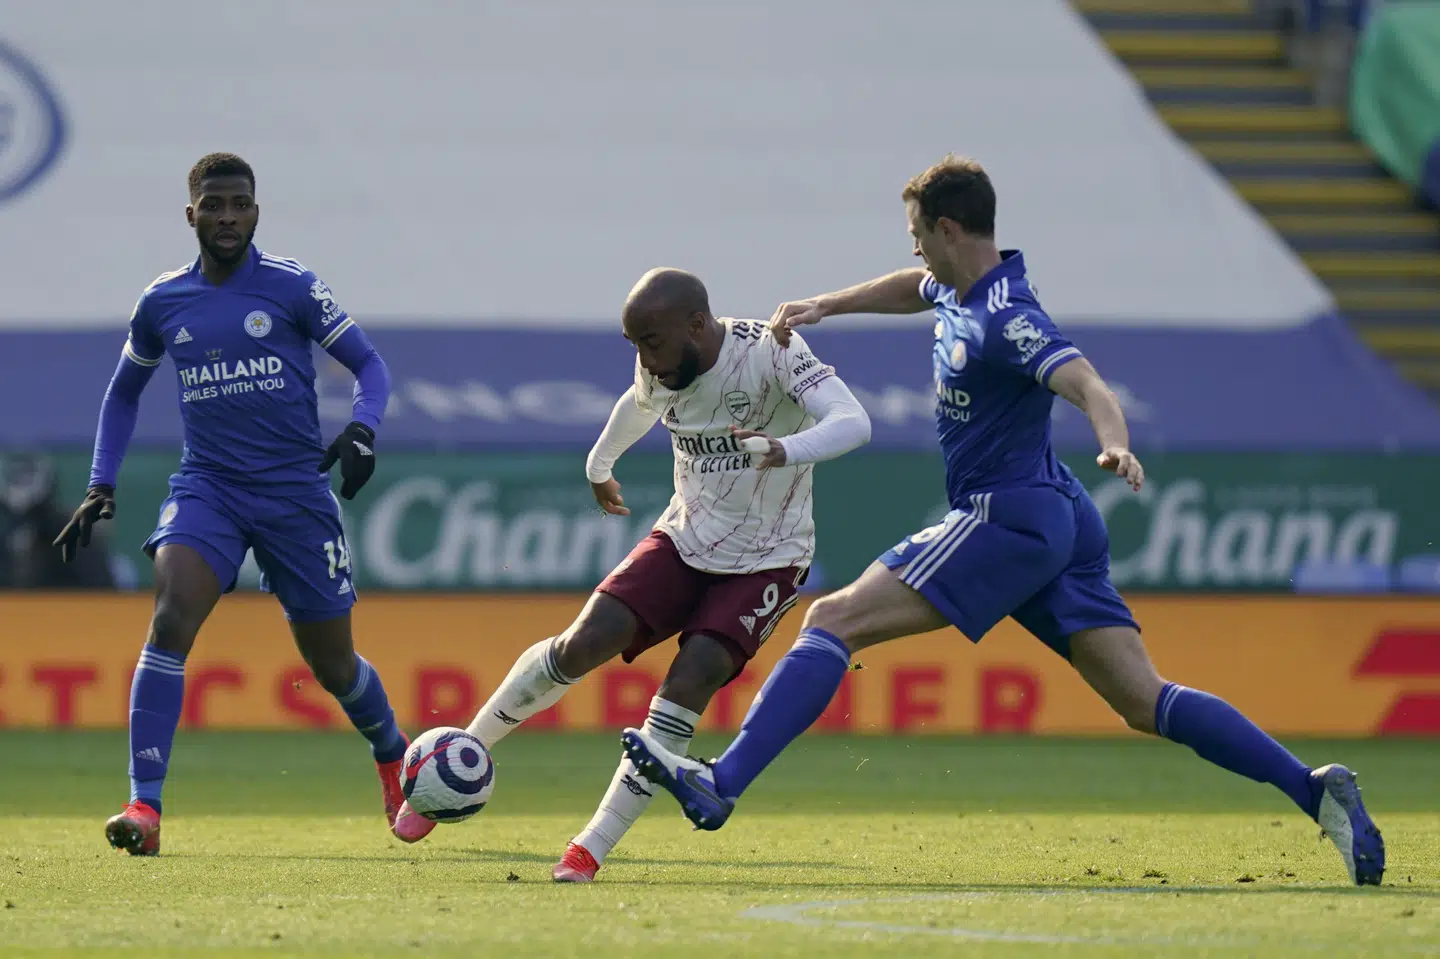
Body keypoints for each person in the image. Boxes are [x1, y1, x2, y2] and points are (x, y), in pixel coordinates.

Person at [622, 156, 1386, 887]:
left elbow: (1086, 382)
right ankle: (1313, 789)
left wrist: (1115, 443)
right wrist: (833, 305)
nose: (914, 246)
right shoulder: (961, 285)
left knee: (833, 618)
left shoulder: (1007, 316)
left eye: (918, 231)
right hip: (1057, 518)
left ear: (950, 228)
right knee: (1141, 700)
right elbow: (912, 288)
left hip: (1006, 514)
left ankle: (722, 781)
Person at [391, 268, 872, 883]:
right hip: (684, 535)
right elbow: (640, 402)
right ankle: (464, 754)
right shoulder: (661, 363)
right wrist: (600, 461)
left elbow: (854, 422)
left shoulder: (773, 353)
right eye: (636, 345)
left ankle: (588, 849)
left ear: (697, 325)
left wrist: (785, 449)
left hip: (768, 557)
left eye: (652, 341)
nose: (644, 357)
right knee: (580, 643)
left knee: (690, 678)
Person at [54, 152, 409, 856]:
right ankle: (144, 807)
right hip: (208, 486)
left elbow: (370, 365)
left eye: (238, 204)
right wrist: (101, 481)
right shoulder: (162, 302)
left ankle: (393, 752)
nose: (225, 217)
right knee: (170, 616)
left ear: (255, 211)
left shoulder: (292, 286)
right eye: (212, 205)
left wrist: (363, 429)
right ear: (191, 213)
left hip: (294, 492)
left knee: (334, 665)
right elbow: (123, 393)